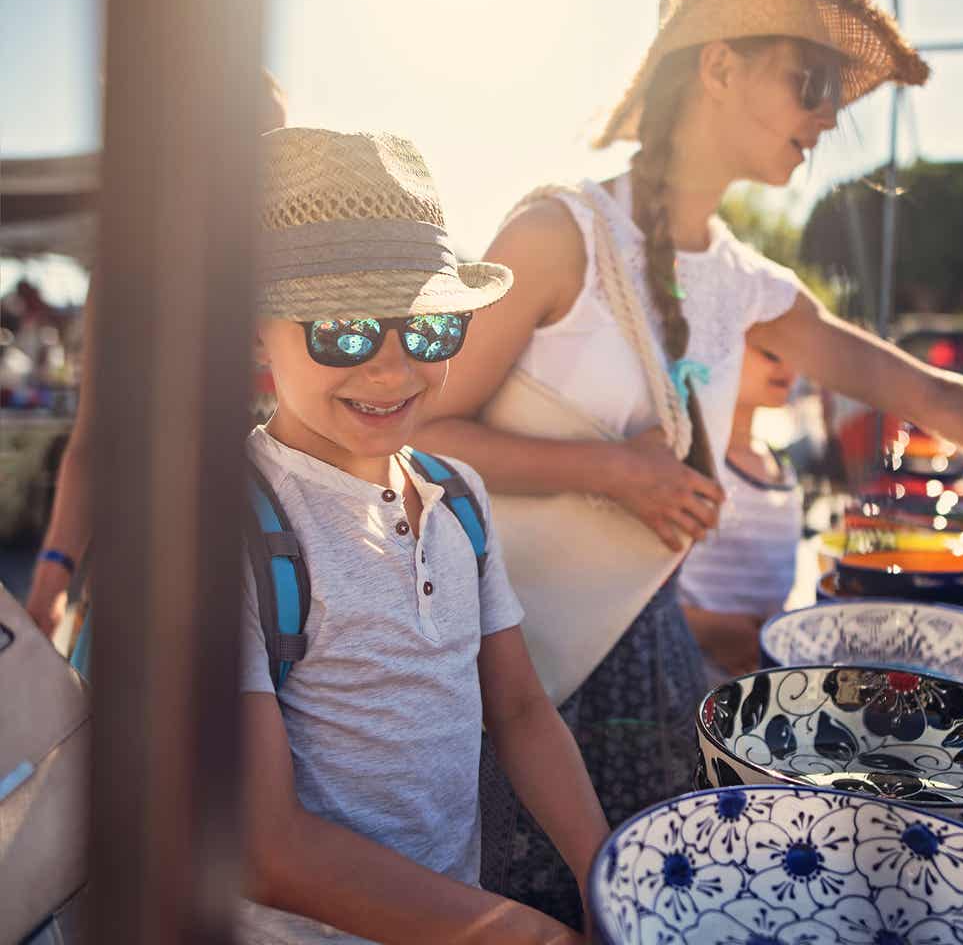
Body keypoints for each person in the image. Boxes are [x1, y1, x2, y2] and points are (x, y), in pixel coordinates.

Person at [412, 0, 963, 924]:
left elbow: (938, 397)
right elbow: (420, 434)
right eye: (812, 81)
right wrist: (615, 472)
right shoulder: (560, 232)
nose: (831, 114)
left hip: (647, 663)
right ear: (717, 65)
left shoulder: (750, 283)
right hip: (500, 680)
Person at [237, 127, 606, 945]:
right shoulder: (228, 525)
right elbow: (267, 847)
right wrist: (524, 933)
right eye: (343, 328)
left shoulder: (458, 499)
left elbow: (517, 709)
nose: (393, 369)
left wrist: (604, 870)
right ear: (256, 331)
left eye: (430, 328)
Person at [25, 70, 289, 638]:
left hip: (294, 581)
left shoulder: (310, 265)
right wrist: (52, 578)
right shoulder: (128, 272)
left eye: (272, 134)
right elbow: (98, 440)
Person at [679, 341, 804, 678]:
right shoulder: (690, 463)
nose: (789, 364)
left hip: (766, 690)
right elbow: (636, 603)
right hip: (694, 688)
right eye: (771, 350)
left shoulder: (782, 468)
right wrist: (708, 629)